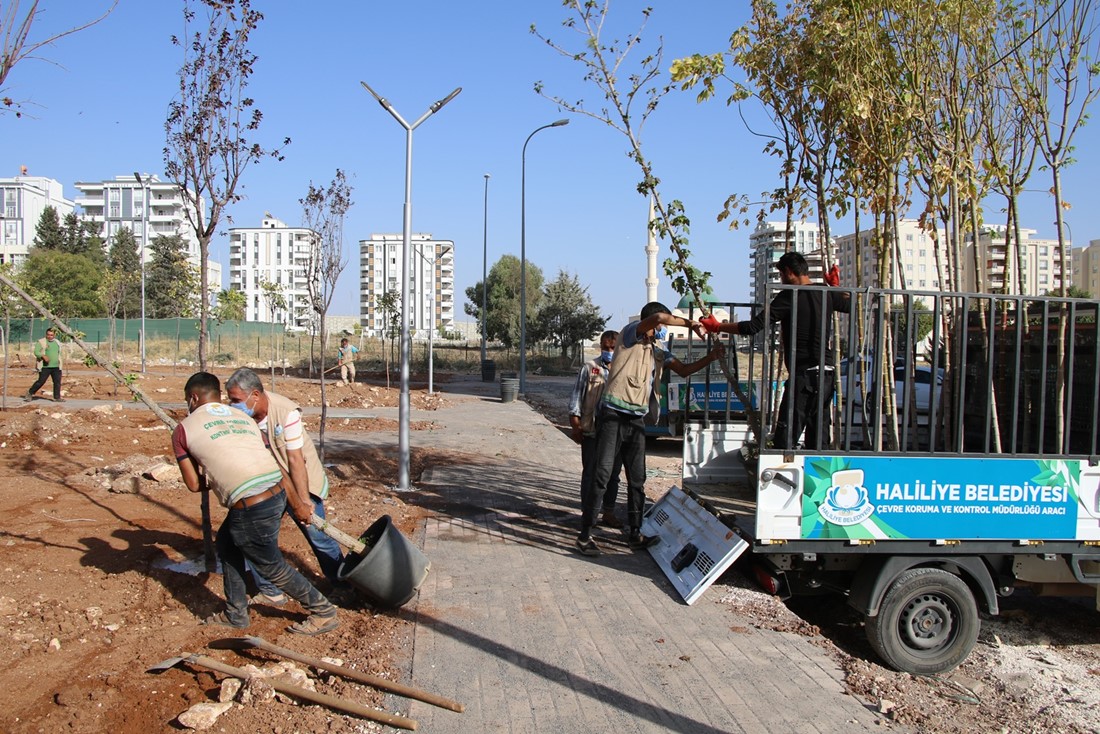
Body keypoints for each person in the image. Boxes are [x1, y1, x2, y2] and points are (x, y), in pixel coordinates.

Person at [172, 372, 338, 635]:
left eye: (186, 400)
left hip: (250, 503)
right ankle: (236, 612)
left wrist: (215, 473)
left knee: (269, 563)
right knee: (227, 544)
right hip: (276, 492)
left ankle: (323, 611)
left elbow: (194, 485)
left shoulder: (183, 429)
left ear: (193, 398)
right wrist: (295, 503)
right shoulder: (242, 418)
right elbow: (275, 465)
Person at [576, 302, 725, 557]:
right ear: (650, 324)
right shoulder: (629, 335)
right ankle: (585, 535)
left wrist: (711, 357)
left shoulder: (658, 350)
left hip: (636, 421)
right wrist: (690, 324)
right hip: (612, 415)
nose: (661, 328)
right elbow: (657, 315)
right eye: (659, 325)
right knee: (601, 476)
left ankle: (635, 533)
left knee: (638, 480)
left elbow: (684, 370)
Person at [704, 251, 849, 449]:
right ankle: (815, 474)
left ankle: (782, 473)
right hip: (827, 373)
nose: (781, 279)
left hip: (804, 376)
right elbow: (850, 304)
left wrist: (718, 327)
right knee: (819, 436)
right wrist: (835, 288)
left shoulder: (790, 296)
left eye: (780, 275)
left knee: (786, 435)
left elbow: (753, 326)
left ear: (788, 272)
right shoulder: (825, 292)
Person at [225, 367, 345, 606]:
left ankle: (343, 585)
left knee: (318, 535)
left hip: (302, 481)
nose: (232, 404)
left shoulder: (286, 413)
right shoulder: (240, 417)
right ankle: (271, 591)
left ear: (255, 395)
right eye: (230, 399)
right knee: (257, 537)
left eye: (236, 400)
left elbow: (295, 460)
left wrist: (303, 501)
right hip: (269, 484)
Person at [568, 329, 625, 530]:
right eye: (605, 347)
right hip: (592, 430)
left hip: (617, 431)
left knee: (612, 474)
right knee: (590, 472)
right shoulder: (590, 368)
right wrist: (575, 425)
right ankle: (588, 513)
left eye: (613, 347)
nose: (609, 351)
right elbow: (576, 397)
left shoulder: (625, 368)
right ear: (600, 347)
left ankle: (608, 512)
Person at [25, 328, 63, 402]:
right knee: (41, 381)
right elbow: (36, 352)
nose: (50, 336)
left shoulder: (57, 342)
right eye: (48, 335)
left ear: (54, 335)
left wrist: (59, 361)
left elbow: (59, 353)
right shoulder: (41, 342)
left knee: (57, 382)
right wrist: (43, 356)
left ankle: (57, 397)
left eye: (51, 335)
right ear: (46, 334)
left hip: (56, 366)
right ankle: (30, 392)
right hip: (45, 366)